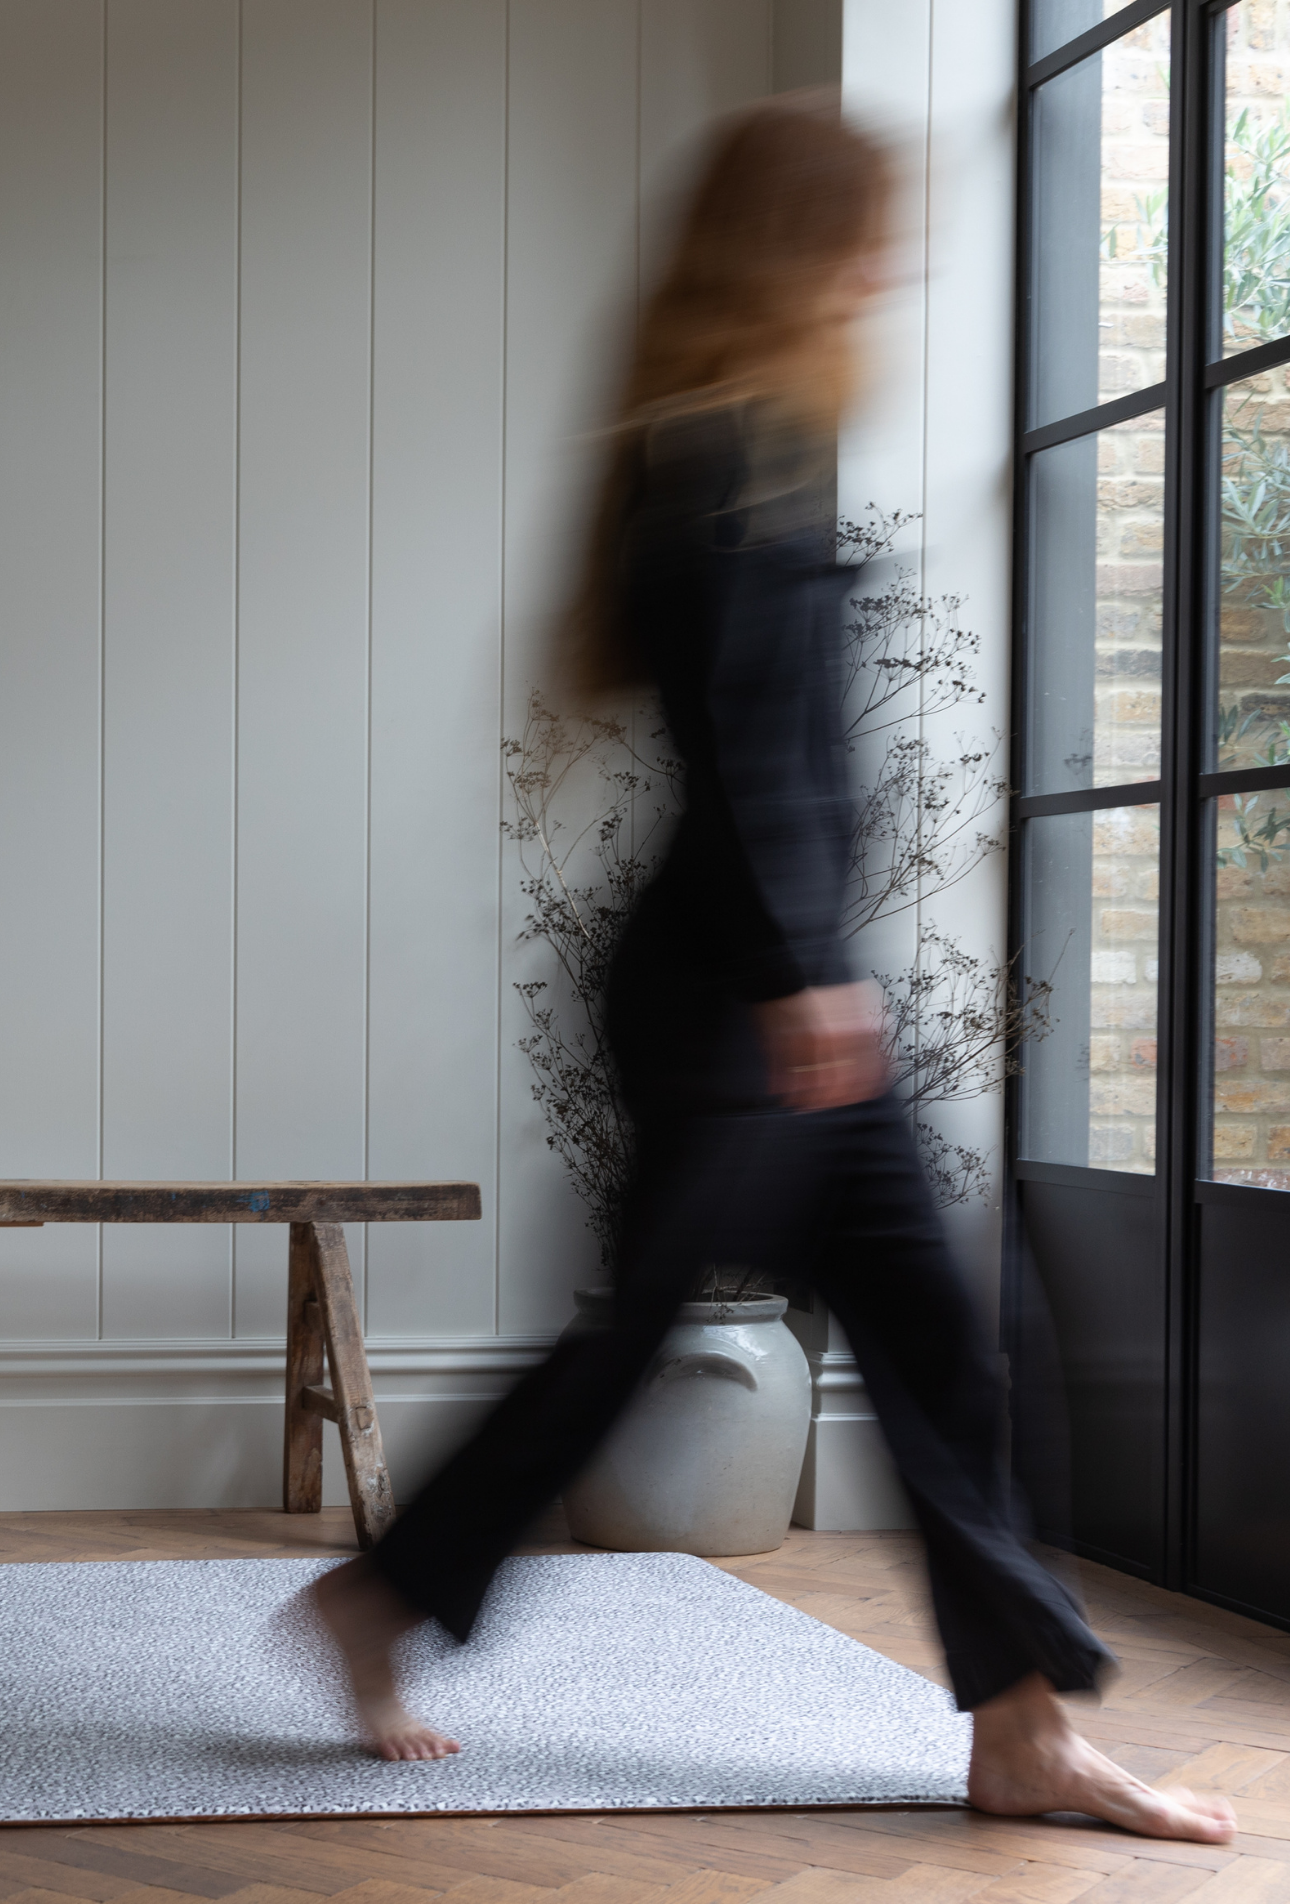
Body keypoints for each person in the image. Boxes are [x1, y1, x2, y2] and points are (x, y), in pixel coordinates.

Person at [316, 94, 1235, 1846]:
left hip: (785, 987)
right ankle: (379, 1601)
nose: (893, 262)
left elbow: (781, 750)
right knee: (645, 1343)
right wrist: (806, 977)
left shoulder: (759, 444)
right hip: (740, 1003)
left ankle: (1020, 1730)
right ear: (792, 247)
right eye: (865, 231)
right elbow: (748, 748)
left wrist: (825, 973)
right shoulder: (714, 454)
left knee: (942, 1343)